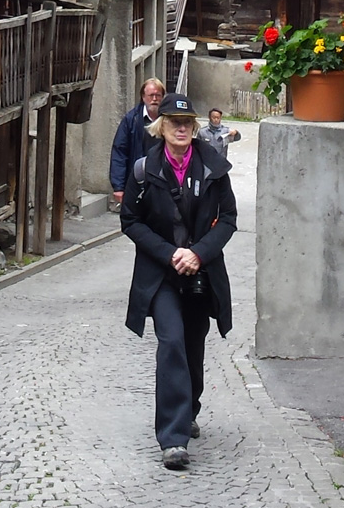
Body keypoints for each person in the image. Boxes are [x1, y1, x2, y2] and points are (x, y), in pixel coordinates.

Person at [120, 93, 237, 471]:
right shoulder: (144, 169)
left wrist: (198, 254)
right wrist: (170, 253)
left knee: (192, 344)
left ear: (195, 127)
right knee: (171, 341)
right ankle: (173, 438)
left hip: (201, 271)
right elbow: (130, 221)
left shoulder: (213, 167)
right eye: (174, 122)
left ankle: (189, 410)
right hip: (161, 274)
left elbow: (229, 218)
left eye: (187, 122)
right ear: (162, 127)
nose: (181, 128)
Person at [109, 78, 166, 206]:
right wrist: (119, 186)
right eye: (151, 95)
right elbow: (120, 151)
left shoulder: (168, 120)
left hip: (163, 181)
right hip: (138, 180)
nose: (154, 99)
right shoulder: (131, 119)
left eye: (158, 95)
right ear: (143, 97)